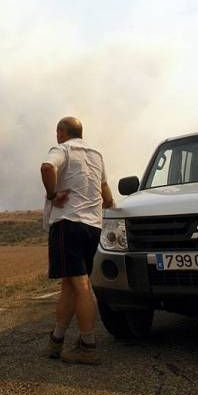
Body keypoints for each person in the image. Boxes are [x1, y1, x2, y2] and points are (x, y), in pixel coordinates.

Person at [40, 116, 114, 364]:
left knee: (80, 285)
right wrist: (113, 209)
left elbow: (47, 168)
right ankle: (57, 341)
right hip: (92, 227)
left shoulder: (62, 149)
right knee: (70, 284)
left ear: (61, 132)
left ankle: (88, 345)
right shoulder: (96, 155)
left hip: (68, 224)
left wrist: (52, 195)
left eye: (57, 131)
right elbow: (106, 193)